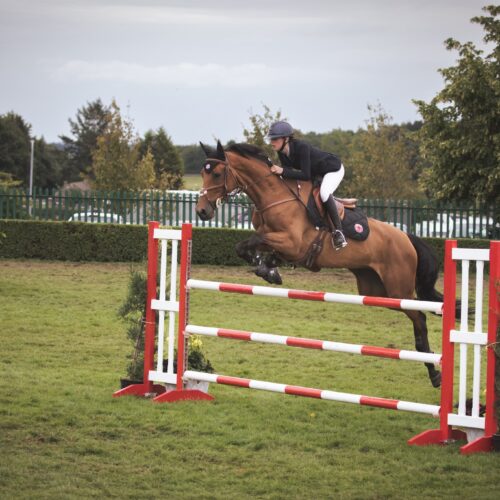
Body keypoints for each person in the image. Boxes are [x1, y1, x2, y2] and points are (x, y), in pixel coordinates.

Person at [267, 121, 348, 250]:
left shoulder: (302, 147)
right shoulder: (282, 152)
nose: (272, 142)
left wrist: (282, 170)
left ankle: (339, 232)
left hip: (333, 169)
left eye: (275, 139)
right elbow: (289, 175)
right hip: (317, 174)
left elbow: (305, 175)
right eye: (271, 139)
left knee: (324, 193)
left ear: (286, 139)